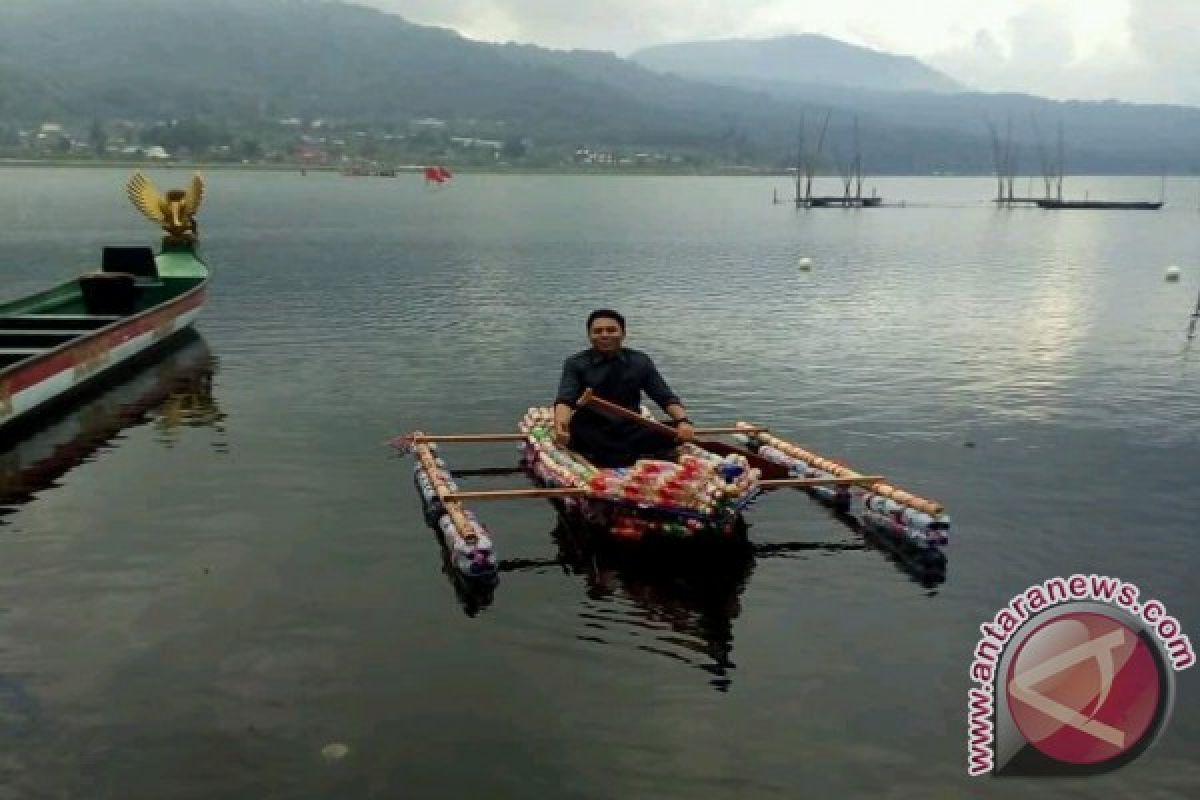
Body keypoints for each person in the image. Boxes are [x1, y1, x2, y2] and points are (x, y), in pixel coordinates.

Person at [553, 309, 695, 468]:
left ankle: (631, 454)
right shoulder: (576, 363)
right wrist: (561, 426)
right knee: (603, 448)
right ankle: (626, 456)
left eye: (611, 330)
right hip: (592, 430)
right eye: (598, 331)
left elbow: (664, 397)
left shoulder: (640, 360)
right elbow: (565, 400)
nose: (605, 335)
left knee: (673, 433)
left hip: (630, 428)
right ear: (590, 336)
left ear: (623, 333)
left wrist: (683, 421)